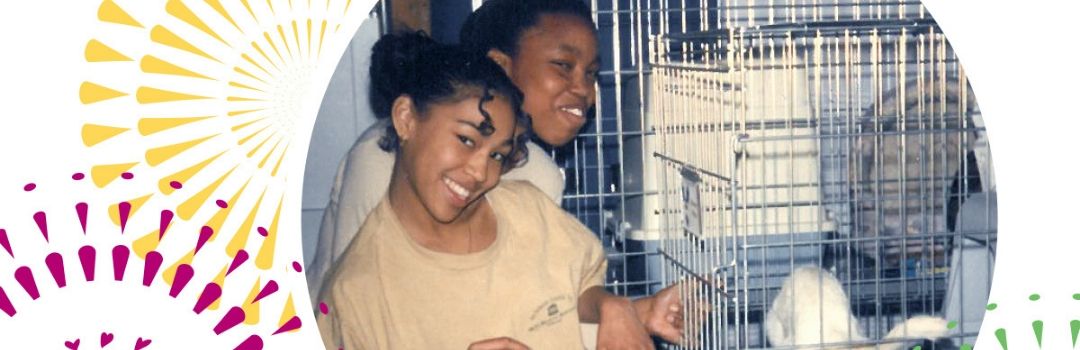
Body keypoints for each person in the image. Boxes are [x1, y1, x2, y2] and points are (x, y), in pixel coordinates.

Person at [315, 32, 685, 349]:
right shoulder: (355, 296)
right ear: (406, 119)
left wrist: (616, 308)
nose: (481, 172)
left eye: (497, 154)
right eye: (465, 139)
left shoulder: (528, 210)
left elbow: (579, 289)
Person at [307, 0, 597, 297]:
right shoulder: (387, 155)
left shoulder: (539, 176)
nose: (585, 90)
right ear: (500, 65)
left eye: (591, 73)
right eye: (563, 66)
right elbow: (349, 301)